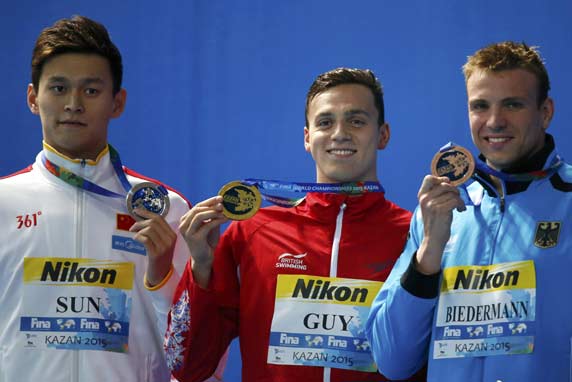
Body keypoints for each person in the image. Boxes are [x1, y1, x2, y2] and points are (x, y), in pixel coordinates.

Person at [164, 68, 426, 381]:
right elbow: (186, 366)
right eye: (325, 122)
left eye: (356, 121)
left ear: (383, 134)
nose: (340, 133)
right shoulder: (252, 232)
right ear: (307, 137)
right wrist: (201, 269)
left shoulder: (415, 235)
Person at [0, 15, 224, 381]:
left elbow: (197, 352)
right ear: (32, 98)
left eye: (91, 90)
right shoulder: (2, 203)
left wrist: (163, 276)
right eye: (58, 88)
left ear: (117, 102)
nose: (73, 103)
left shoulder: (166, 210)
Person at [366, 41, 572, 381]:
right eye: (480, 106)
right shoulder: (439, 211)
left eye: (513, 105)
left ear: (545, 111)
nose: (494, 121)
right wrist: (429, 254)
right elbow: (392, 361)